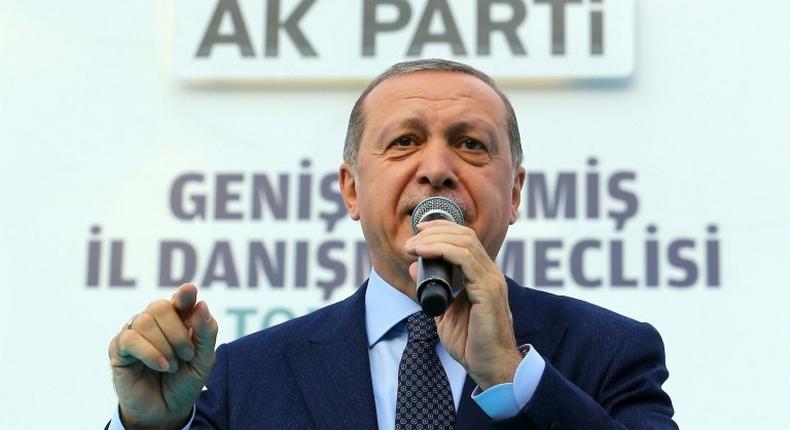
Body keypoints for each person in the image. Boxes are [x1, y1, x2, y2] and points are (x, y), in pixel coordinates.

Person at [107, 59, 678, 430]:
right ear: (353, 190)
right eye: (404, 142)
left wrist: (510, 373)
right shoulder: (247, 375)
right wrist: (149, 428)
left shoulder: (610, 352)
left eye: (471, 144)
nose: (436, 169)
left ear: (515, 192)